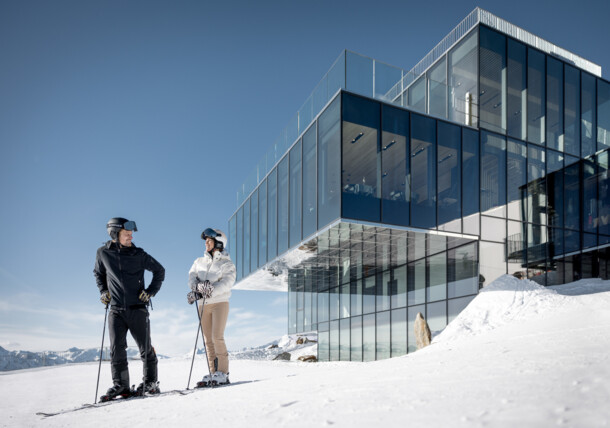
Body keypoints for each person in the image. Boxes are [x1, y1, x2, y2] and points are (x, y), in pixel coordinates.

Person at [94, 217, 165, 399]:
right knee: (117, 349)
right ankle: (121, 385)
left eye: (131, 234)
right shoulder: (103, 253)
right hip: (116, 310)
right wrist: (103, 291)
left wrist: (150, 292)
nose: (130, 238)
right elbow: (99, 273)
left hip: (138, 309)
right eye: (127, 234)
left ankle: (150, 382)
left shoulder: (139, 254)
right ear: (115, 234)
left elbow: (159, 271)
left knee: (145, 347)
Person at [187, 228, 236, 386]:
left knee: (217, 337)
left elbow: (227, 283)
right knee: (208, 340)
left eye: (210, 240)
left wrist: (210, 290)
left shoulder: (226, 263)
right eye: (206, 240)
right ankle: (213, 373)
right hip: (203, 305)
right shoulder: (198, 262)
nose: (206, 243)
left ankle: (223, 372)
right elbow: (192, 277)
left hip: (220, 303)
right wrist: (197, 290)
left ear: (219, 243)